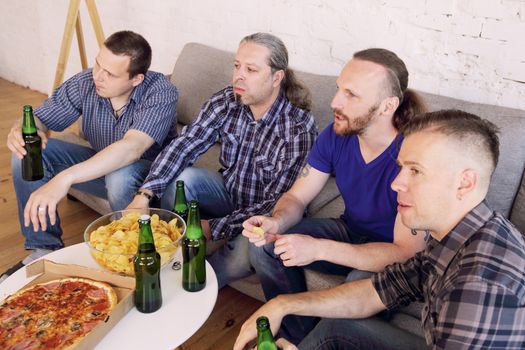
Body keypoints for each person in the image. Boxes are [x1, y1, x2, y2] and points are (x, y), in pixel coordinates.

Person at [235, 109, 525, 350]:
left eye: (415, 171)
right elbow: (381, 289)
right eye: (400, 168)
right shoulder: (451, 237)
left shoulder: (478, 286)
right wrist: (282, 305)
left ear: (464, 183)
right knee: (334, 330)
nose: (396, 183)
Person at [242, 48, 427, 343]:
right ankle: (298, 340)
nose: (334, 102)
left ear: (387, 105)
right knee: (267, 246)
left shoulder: (414, 155)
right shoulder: (335, 135)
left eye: (351, 95)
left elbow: (405, 253)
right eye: (339, 89)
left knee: (357, 285)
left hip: (393, 254)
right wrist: (276, 222)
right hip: (349, 230)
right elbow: (298, 197)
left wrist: (317, 249)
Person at [127, 33, 317, 287]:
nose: (239, 75)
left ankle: (193, 279)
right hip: (227, 193)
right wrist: (145, 194)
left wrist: (213, 228)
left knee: (240, 257)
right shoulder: (227, 100)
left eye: (251, 69)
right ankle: (175, 253)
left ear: (276, 77)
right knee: (184, 178)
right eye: (237, 66)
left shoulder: (297, 128)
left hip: (264, 216)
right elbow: (185, 145)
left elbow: (277, 203)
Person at [3, 30, 178, 279]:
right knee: (27, 153)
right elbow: (39, 119)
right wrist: (21, 129)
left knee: (120, 174)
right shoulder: (87, 81)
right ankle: (43, 248)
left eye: (110, 73)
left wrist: (64, 179)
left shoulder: (161, 92)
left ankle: (134, 259)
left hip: (148, 183)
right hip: (103, 170)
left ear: (136, 79)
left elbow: (131, 149)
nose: (98, 76)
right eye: (98, 64)